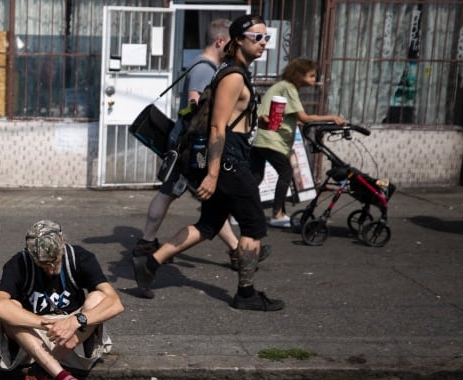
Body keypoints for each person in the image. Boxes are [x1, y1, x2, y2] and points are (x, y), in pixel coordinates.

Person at [132, 14, 284, 312]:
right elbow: (217, 127)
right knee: (253, 225)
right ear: (238, 39)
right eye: (257, 37)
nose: (263, 43)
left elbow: (233, 118)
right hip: (229, 161)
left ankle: (150, 262)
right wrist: (213, 174)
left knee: (208, 224)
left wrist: (259, 121)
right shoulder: (233, 76)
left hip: (231, 156)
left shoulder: (238, 72)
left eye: (267, 38)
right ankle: (246, 293)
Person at [0, 220, 124, 380]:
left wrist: (77, 320)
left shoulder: (80, 257)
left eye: (55, 261)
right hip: (32, 341)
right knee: (9, 308)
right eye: (43, 265)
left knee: (98, 297)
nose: (50, 270)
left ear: (63, 242)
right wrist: (43, 323)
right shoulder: (19, 263)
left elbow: (115, 303)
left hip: (72, 340)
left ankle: (39, 371)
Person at [250, 58, 347, 228]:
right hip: (272, 140)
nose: (314, 80)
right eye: (311, 76)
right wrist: (332, 118)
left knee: (255, 178)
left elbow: (296, 119)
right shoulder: (288, 88)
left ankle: (234, 210)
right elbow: (304, 117)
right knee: (286, 173)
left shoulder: (282, 87)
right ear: (299, 75)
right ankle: (277, 214)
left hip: (262, 139)